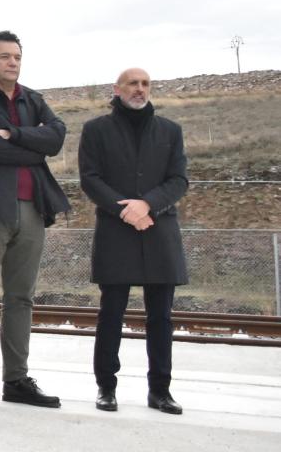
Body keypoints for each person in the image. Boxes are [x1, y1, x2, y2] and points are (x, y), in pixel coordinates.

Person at [0, 30, 69, 408]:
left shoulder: (32, 99)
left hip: (31, 207)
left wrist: (16, 134)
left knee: (21, 297)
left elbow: (55, 138)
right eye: (4, 57)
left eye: (17, 56)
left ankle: (16, 380)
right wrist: (30, 145)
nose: (12, 63)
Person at [79, 67, 189, 415]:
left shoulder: (170, 131)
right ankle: (106, 388)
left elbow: (179, 180)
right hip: (116, 229)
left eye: (145, 84)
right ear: (118, 89)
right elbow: (90, 179)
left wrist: (147, 205)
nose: (139, 89)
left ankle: (160, 390)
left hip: (159, 228)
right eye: (133, 83)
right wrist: (124, 210)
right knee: (111, 313)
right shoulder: (96, 129)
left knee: (161, 317)